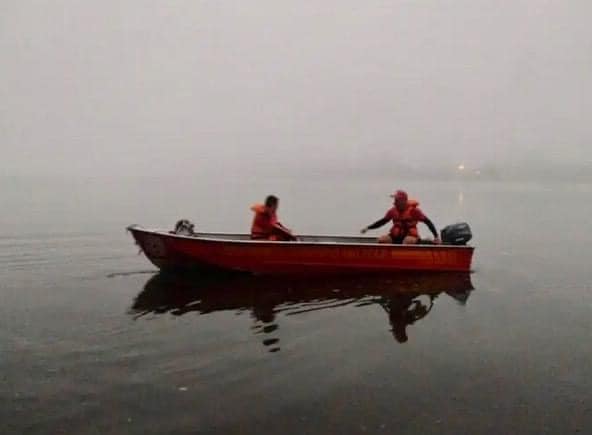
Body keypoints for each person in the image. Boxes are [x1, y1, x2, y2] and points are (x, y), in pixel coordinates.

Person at [361, 190, 441, 244]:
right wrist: (368, 228)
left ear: (403, 201)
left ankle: (426, 242)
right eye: (395, 200)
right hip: (396, 236)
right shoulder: (393, 211)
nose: (394, 202)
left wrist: (436, 236)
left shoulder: (414, 211)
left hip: (410, 236)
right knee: (382, 240)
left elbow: (428, 222)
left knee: (407, 241)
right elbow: (382, 221)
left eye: (396, 200)